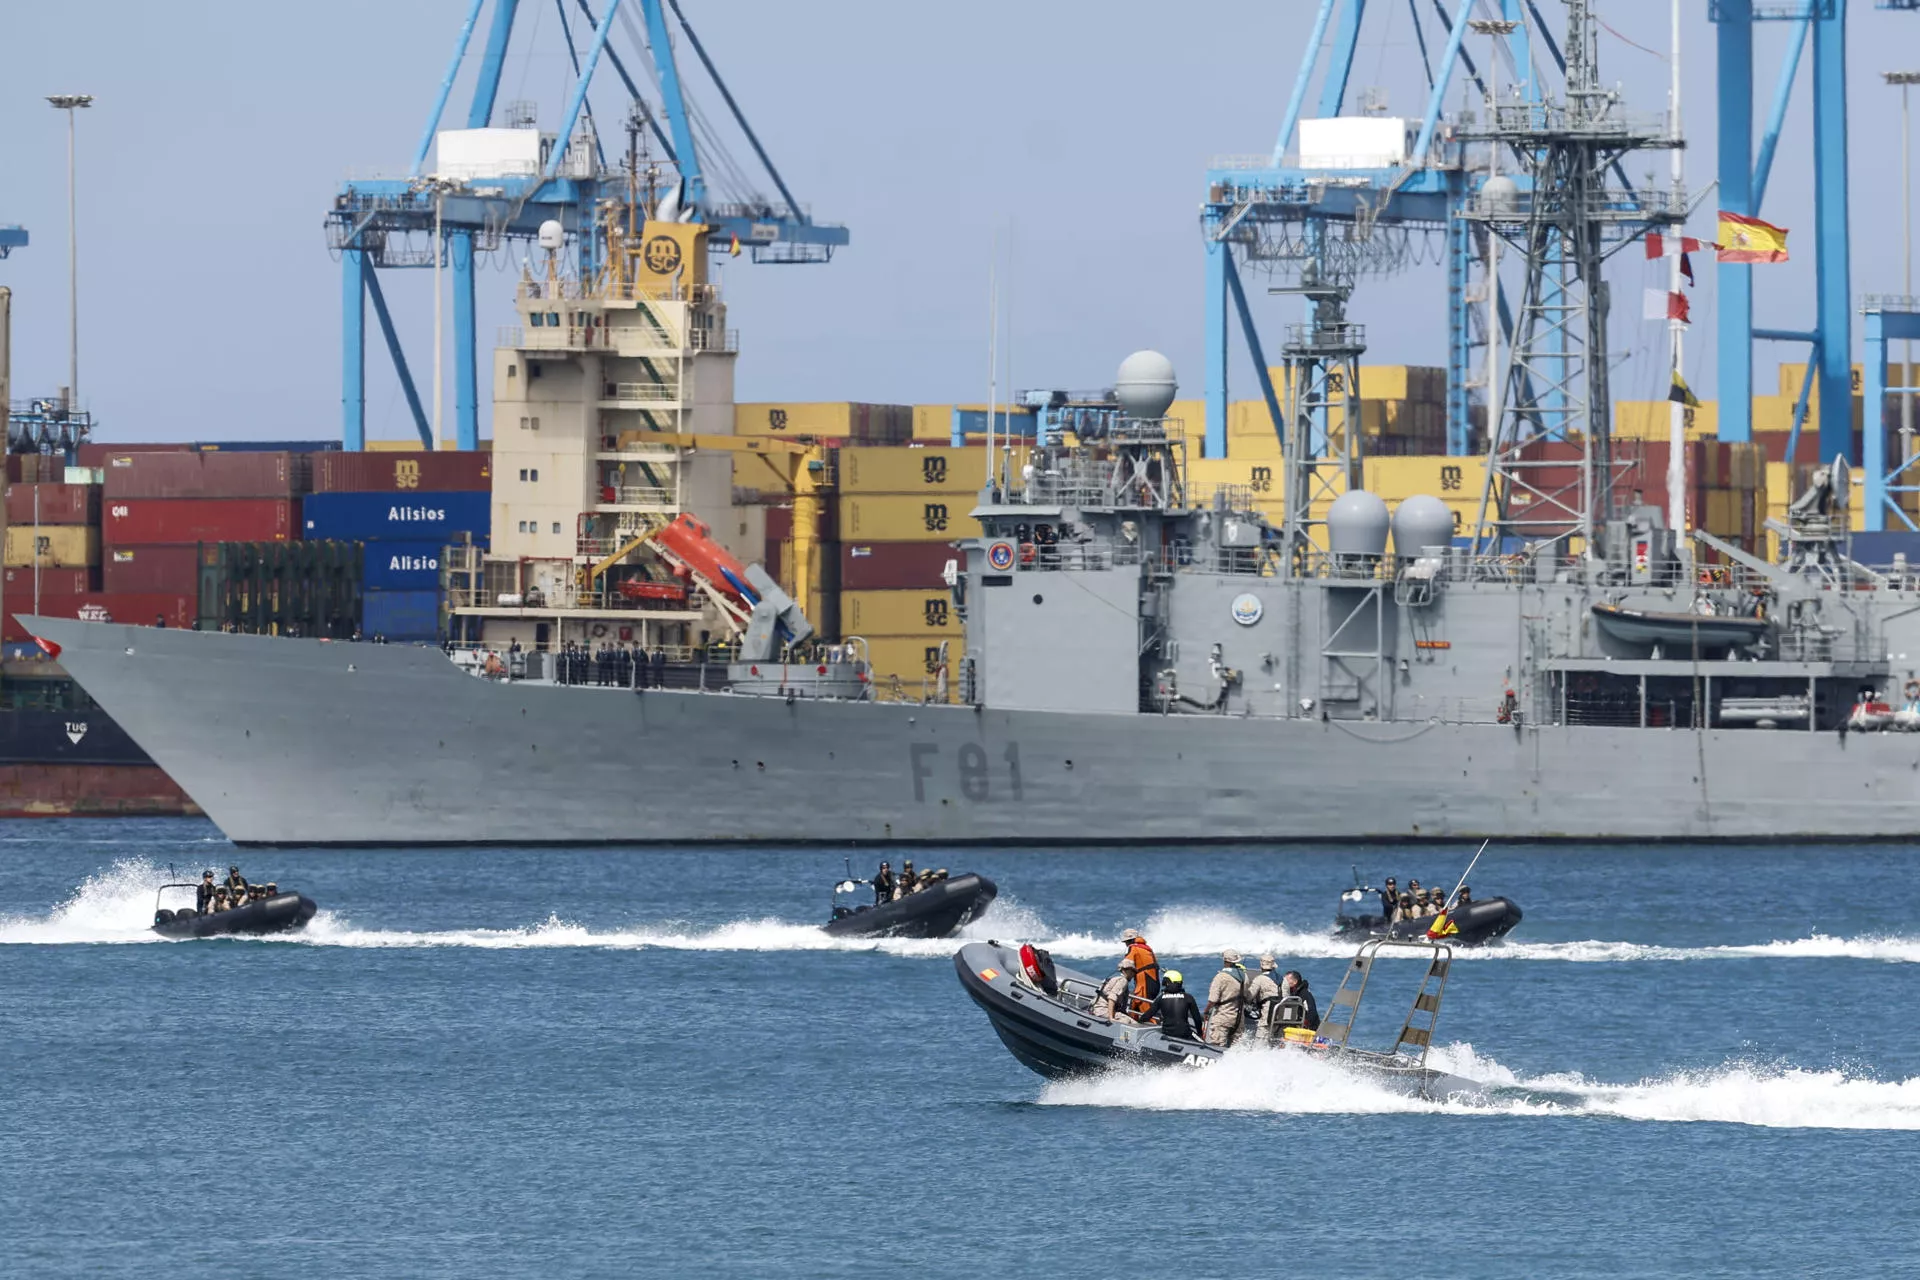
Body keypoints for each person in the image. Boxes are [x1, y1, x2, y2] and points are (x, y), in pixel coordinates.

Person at [1205, 950, 1250, 1048]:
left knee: (1217, 1046)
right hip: (1239, 1019)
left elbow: (1213, 1000)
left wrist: (1206, 1011)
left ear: (1225, 961)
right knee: (1236, 1048)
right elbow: (1247, 996)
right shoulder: (1245, 976)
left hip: (1223, 1017)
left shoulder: (1220, 977)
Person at [1152, 971, 1206, 1042]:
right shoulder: (1188, 997)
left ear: (1167, 983)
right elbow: (1197, 1019)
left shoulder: (1161, 998)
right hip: (1184, 1033)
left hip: (1167, 1032)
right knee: (1202, 1042)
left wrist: (1140, 1020)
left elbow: (1148, 1014)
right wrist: (1200, 1034)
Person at [1121, 929, 1160, 1020]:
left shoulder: (1132, 948)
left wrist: (1121, 972)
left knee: (1144, 1008)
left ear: (1129, 941)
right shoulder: (1147, 948)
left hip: (1144, 983)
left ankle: (1153, 1024)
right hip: (1154, 982)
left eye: (1126, 942)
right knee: (1137, 1005)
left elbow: (1126, 963)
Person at [1246, 954, 1283, 1043]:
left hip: (1268, 1014)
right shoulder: (1283, 979)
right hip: (1282, 1015)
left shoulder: (1260, 979)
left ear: (1261, 966)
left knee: (1260, 1040)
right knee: (1276, 1041)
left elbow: (1249, 996)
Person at [1091, 957, 1137, 1023]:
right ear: (1126, 970)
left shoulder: (1115, 977)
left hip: (1096, 1008)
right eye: (1132, 971)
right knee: (1131, 1022)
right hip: (1102, 1010)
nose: (1133, 974)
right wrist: (1111, 1018)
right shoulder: (1123, 981)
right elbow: (1112, 998)